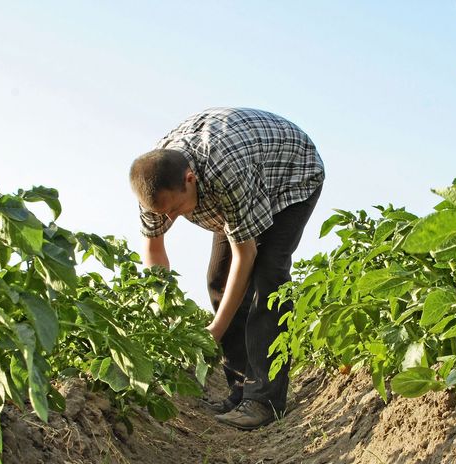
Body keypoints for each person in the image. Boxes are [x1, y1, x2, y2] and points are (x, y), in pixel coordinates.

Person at [130, 108, 324, 430]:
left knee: (267, 277)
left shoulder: (224, 171)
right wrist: (161, 311)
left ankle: (264, 400)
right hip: (240, 181)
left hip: (289, 176)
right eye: (163, 213)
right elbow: (154, 249)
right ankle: (239, 389)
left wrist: (213, 332)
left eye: (177, 209)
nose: (170, 219)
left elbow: (245, 254)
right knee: (217, 278)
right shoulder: (154, 184)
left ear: (189, 180)